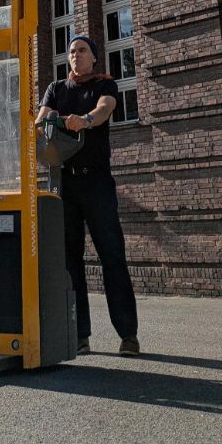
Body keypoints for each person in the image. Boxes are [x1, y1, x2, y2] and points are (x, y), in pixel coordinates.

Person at [36, 34, 140, 356]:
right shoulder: (56, 89)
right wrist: (43, 123)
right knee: (69, 260)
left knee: (112, 256)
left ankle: (128, 335)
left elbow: (105, 109)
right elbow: (40, 122)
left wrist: (86, 120)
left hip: (96, 183)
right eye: (70, 52)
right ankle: (79, 334)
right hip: (64, 185)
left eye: (81, 51)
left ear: (93, 57)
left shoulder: (105, 84)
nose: (75, 56)